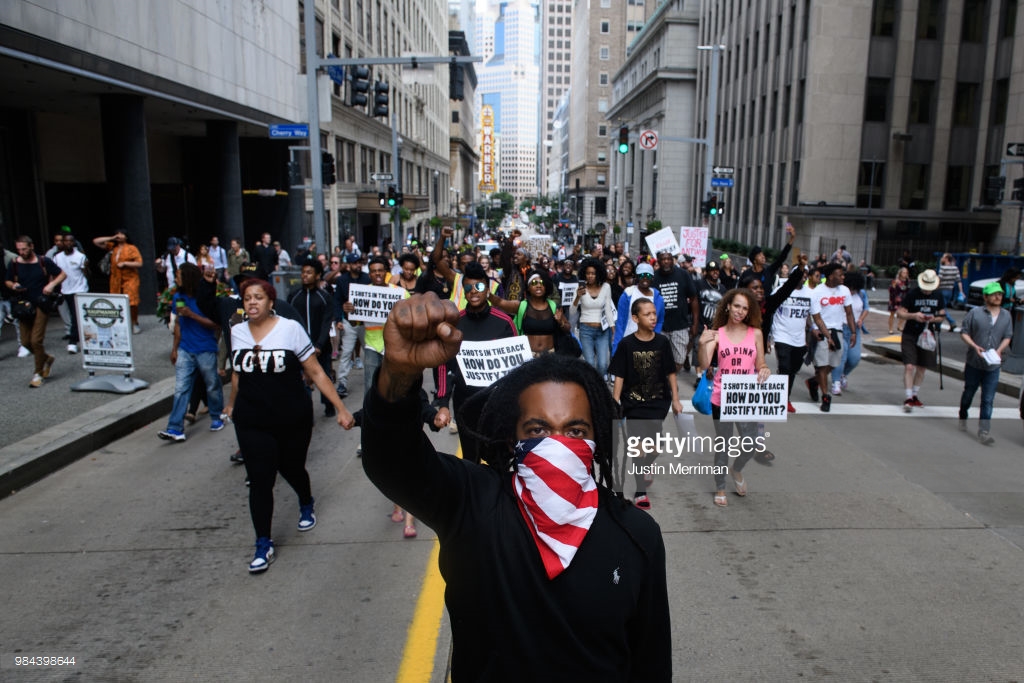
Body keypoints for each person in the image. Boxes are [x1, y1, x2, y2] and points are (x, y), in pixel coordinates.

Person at [362, 297, 672, 680]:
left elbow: (651, 663)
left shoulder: (637, 535)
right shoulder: (473, 507)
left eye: (575, 431)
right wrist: (397, 375)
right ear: (513, 441)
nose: (557, 444)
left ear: (598, 440)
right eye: (538, 430)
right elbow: (393, 461)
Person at [225, 277, 354, 573]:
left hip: (291, 416)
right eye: (247, 298)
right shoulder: (236, 332)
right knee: (260, 479)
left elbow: (316, 372)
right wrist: (231, 403)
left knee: (291, 467)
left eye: (258, 297)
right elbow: (237, 373)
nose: (252, 303)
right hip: (251, 419)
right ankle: (263, 543)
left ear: (271, 303)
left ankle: (305, 500)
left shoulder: (290, 329)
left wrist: (340, 407)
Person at [434, 261, 517, 461]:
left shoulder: (504, 322)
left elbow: (518, 366)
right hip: (466, 401)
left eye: (479, 287)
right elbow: (443, 364)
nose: (474, 292)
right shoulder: (455, 324)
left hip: (497, 403)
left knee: (500, 458)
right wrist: (443, 402)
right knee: (470, 458)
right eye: (468, 288)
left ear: (487, 290)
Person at [699, 288, 772, 507]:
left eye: (745, 308)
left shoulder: (756, 333)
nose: (740, 311)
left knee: (750, 443)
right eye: (737, 306)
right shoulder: (717, 334)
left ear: (749, 311)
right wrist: (703, 343)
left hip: (746, 397)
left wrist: (765, 369)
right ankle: (720, 486)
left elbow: (760, 363)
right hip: (722, 397)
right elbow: (704, 364)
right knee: (723, 444)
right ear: (728, 306)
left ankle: (736, 469)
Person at [610, 299, 682, 510]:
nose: (653, 317)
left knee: (655, 448)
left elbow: (670, 372)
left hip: (658, 404)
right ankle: (641, 491)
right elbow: (620, 375)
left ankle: (646, 467)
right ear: (635, 318)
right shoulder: (626, 345)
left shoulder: (662, 343)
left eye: (654, 313)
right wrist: (615, 401)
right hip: (634, 405)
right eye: (647, 314)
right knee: (638, 448)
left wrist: (676, 400)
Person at [155, 263, 225, 442]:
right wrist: (174, 348)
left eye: (178, 275)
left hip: (205, 348)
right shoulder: (177, 296)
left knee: (212, 384)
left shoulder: (203, 297)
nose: (175, 278)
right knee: (180, 389)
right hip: (185, 349)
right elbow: (178, 323)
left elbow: (216, 324)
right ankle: (175, 428)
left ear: (187, 278)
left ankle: (217, 416)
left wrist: (192, 315)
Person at [5, 235, 66, 387]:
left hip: (41, 303)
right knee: (25, 342)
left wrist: (51, 285)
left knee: (36, 340)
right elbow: (7, 280)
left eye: (24, 249)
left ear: (31, 246)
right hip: (24, 305)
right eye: (18, 249)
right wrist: (13, 285)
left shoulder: (43, 261)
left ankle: (38, 374)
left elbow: (62, 274)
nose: (21, 252)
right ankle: (46, 358)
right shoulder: (14, 263)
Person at [957, 282, 1012, 445]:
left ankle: (984, 431)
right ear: (986, 297)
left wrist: (1000, 350)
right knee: (969, 393)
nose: (998, 297)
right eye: (994, 294)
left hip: (993, 365)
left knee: (988, 399)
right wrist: (974, 346)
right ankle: (963, 414)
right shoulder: (975, 313)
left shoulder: (1006, 315)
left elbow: (1008, 336)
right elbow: (964, 332)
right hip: (974, 362)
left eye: (1000, 294)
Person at [288, 258, 336, 416]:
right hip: (299, 348)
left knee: (324, 375)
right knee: (302, 380)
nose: (304, 275)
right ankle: (306, 411)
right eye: (303, 272)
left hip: (320, 346)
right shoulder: (294, 296)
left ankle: (328, 404)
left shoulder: (324, 297)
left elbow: (326, 322)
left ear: (317, 275)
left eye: (309, 272)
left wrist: (320, 345)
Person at [807, 264, 857, 412]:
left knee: (834, 363)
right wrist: (821, 334)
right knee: (822, 364)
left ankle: (813, 382)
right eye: (840, 275)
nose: (843, 277)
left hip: (838, 330)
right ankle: (825, 396)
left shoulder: (845, 290)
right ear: (830, 276)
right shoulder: (817, 292)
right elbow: (815, 317)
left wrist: (853, 332)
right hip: (822, 330)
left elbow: (849, 313)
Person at [896, 268, 945, 413]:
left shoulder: (938, 295)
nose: (927, 291)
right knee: (909, 366)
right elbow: (900, 313)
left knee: (922, 367)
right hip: (911, 333)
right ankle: (908, 396)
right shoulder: (912, 294)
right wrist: (914, 315)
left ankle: (915, 394)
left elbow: (942, 315)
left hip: (928, 333)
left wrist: (933, 319)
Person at [490, 269, 570, 356]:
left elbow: (568, 328)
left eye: (542, 283)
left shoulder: (553, 306)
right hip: (528, 356)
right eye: (534, 283)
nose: (538, 285)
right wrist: (488, 294)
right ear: (528, 287)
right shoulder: (521, 306)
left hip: (550, 356)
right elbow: (500, 302)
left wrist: (560, 322)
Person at [771, 264, 813, 414]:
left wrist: (814, 332)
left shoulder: (810, 293)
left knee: (793, 370)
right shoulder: (781, 290)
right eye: (801, 273)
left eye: (806, 274)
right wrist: (769, 336)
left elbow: (812, 316)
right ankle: (782, 399)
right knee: (785, 367)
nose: (804, 276)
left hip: (799, 339)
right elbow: (771, 310)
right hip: (782, 335)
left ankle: (784, 396)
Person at [653, 251, 699, 374]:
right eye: (663, 259)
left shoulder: (683, 275)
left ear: (673, 260)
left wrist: (695, 323)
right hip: (660, 326)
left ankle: (669, 380)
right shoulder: (654, 277)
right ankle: (667, 385)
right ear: (658, 261)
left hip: (680, 325)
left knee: (679, 359)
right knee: (660, 360)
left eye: (669, 259)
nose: (666, 261)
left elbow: (694, 298)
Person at [572, 257, 617, 379]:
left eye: (593, 273)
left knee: (602, 365)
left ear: (598, 274)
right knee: (590, 364)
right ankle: (592, 389)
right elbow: (572, 311)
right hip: (586, 330)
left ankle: (599, 386)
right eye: (587, 273)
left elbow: (608, 309)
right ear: (584, 274)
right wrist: (577, 297)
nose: (590, 276)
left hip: (602, 331)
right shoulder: (580, 288)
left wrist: (613, 329)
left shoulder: (606, 287)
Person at [333, 254, 370, 399]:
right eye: (354, 263)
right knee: (346, 353)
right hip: (349, 322)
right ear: (348, 265)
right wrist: (338, 319)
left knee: (371, 352)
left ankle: (376, 380)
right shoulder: (342, 280)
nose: (357, 265)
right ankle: (342, 383)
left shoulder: (367, 278)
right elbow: (337, 300)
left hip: (366, 323)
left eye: (359, 262)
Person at [94, 231, 144, 333]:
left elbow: (139, 263)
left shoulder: (131, 248)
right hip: (116, 279)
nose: (119, 236)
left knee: (132, 301)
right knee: (116, 301)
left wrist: (125, 263)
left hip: (130, 278)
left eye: (122, 234)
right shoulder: (113, 247)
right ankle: (121, 323)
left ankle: (134, 322)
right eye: (118, 234)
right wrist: (111, 237)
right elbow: (96, 241)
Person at [612, 263, 665, 353]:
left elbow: (659, 320)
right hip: (628, 341)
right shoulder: (627, 294)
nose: (645, 277)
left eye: (648, 275)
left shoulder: (658, 298)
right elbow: (620, 322)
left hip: (649, 344)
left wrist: (655, 337)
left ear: (652, 278)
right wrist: (616, 346)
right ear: (636, 277)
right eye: (641, 275)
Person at [831, 272, 868, 395]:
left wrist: (861, 319)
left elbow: (866, 309)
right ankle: (835, 382)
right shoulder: (839, 292)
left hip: (855, 330)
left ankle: (843, 374)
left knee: (854, 358)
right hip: (841, 327)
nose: (851, 291)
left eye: (854, 288)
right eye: (850, 288)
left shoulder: (862, 294)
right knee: (842, 356)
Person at [52, 233, 88, 353]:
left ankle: (73, 341)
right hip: (65, 289)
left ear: (74, 243)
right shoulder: (57, 257)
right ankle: (79, 336)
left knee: (75, 315)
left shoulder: (80, 256)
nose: (68, 243)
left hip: (80, 289)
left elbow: (86, 274)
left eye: (70, 241)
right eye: (65, 241)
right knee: (74, 315)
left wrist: (87, 267)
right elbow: (54, 273)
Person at [745, 224, 795, 288]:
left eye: (763, 254)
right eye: (759, 255)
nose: (763, 256)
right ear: (754, 260)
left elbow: (781, 258)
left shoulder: (768, 271)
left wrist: (792, 238)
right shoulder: (747, 274)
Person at [937, 253, 963, 331]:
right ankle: (938, 325)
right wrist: (961, 292)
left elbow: (939, 279)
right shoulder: (955, 268)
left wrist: (935, 289)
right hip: (950, 291)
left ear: (946, 259)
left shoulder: (943, 268)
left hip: (942, 290)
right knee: (942, 307)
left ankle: (952, 322)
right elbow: (959, 281)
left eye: (943, 257)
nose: (941, 258)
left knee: (942, 308)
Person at [888, 266, 910, 334]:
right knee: (892, 313)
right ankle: (890, 329)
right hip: (894, 299)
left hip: (903, 299)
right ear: (900, 273)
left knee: (905, 312)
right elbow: (890, 289)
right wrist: (894, 286)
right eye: (903, 272)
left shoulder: (907, 281)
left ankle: (899, 325)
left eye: (906, 273)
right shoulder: (896, 280)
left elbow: (908, 290)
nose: (905, 274)